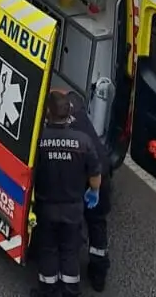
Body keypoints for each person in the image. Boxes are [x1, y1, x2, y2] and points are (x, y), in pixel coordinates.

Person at [31, 89, 102, 297]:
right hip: (73, 209)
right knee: (70, 252)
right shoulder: (83, 141)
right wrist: (94, 192)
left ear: (48, 114)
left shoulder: (39, 140)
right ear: (69, 112)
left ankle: (48, 290)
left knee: (48, 250)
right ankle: (70, 291)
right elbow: (95, 174)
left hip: (47, 207)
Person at [66, 90, 112, 292]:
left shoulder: (70, 129)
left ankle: (69, 270)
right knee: (97, 225)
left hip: (90, 178)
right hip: (101, 177)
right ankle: (98, 275)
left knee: (73, 221)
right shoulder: (84, 122)